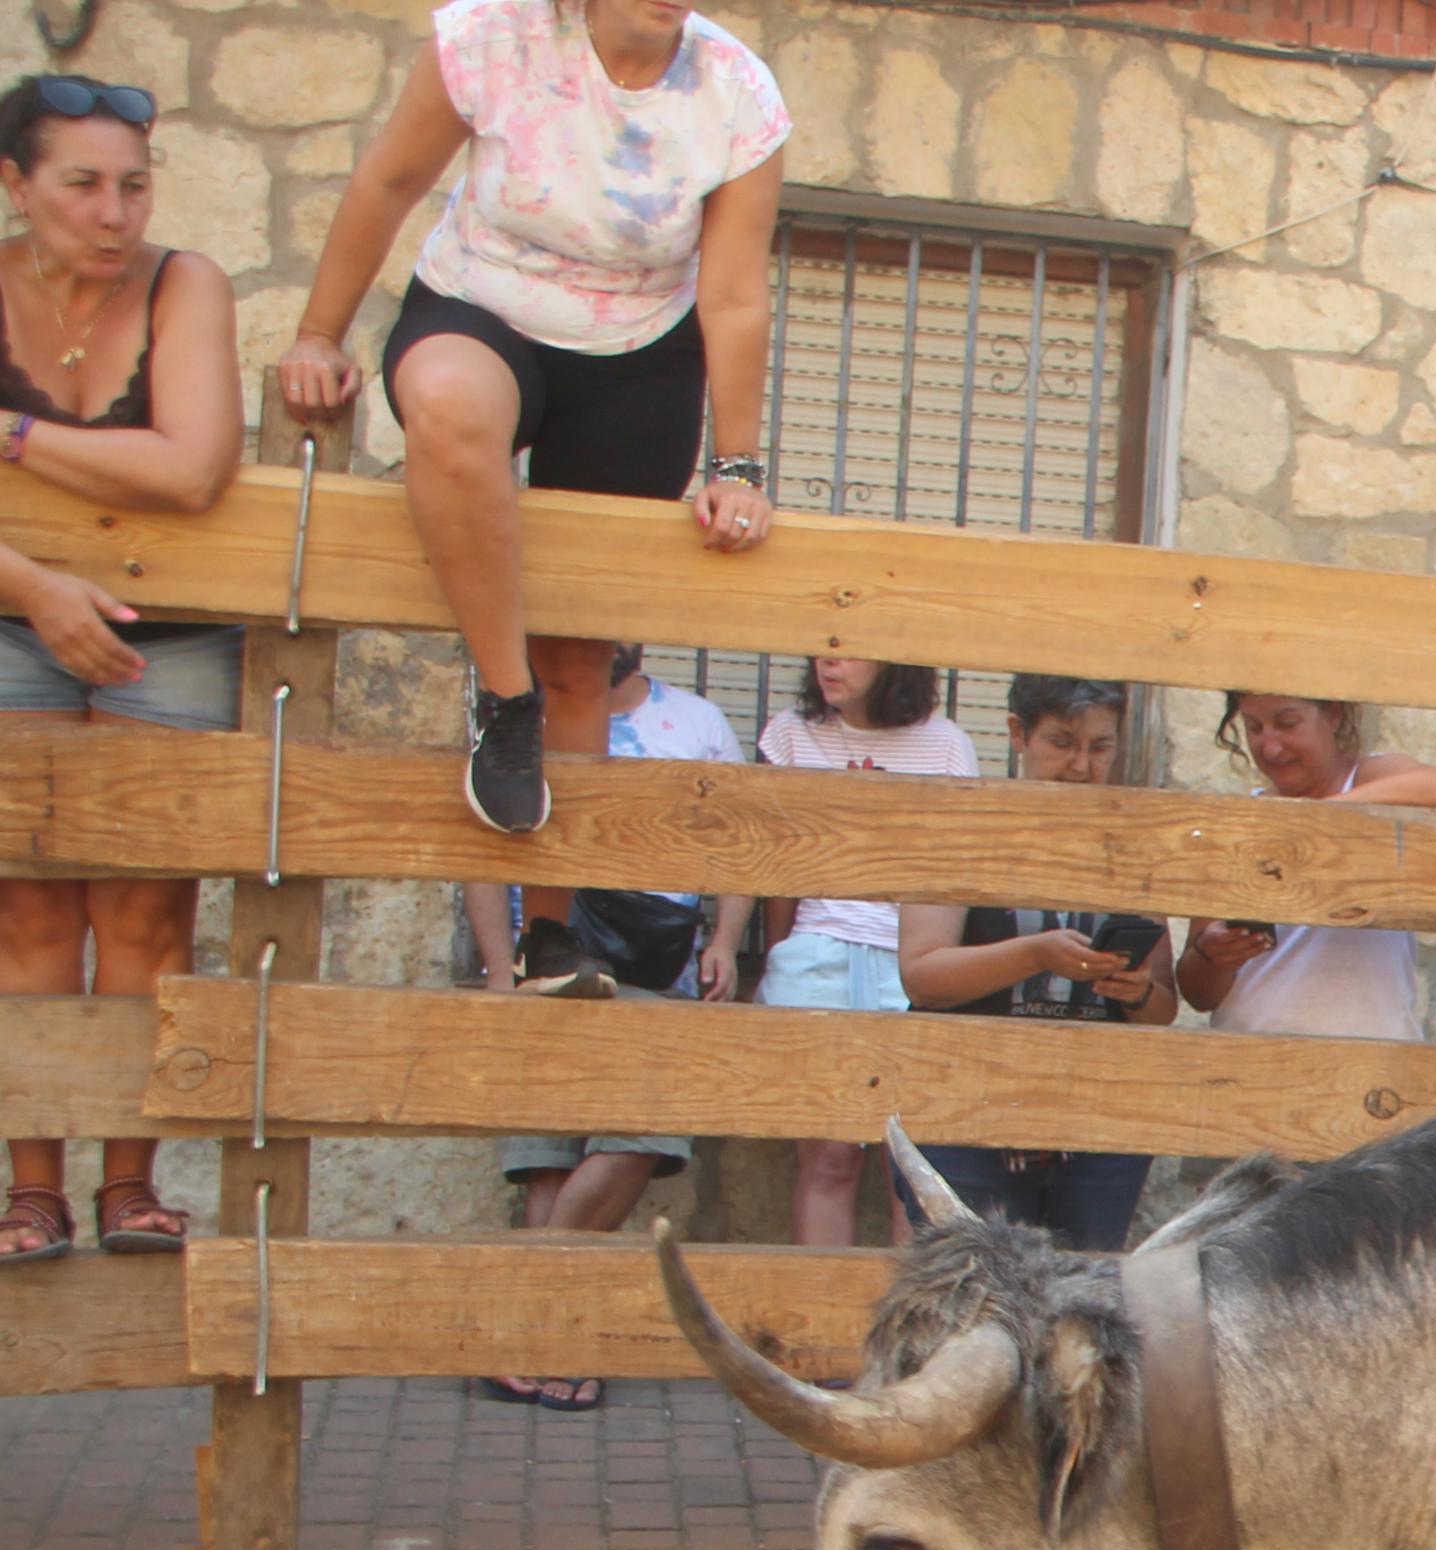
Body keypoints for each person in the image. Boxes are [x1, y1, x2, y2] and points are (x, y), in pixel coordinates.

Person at [274, 0, 785, 833]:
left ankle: (552, 934)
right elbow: (390, 179)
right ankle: (508, 699)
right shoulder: (489, 35)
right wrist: (317, 333)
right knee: (447, 404)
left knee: (581, 659)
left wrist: (737, 470)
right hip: (482, 307)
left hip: (638, 351)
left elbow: (732, 295)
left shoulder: (739, 93)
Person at [0, 73, 237, 1269]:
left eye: (134, 185)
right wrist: (36, 585)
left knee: (148, 909)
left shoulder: (185, 282)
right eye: (83, 184)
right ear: (14, 183)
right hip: (5, 615)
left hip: (174, 621)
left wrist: (17, 439)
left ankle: (131, 1187)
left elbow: (193, 471)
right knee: (25, 905)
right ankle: (32, 1189)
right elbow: (145, 459)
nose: (114, 211)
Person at [460, 644, 739, 1405]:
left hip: (657, 969)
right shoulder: (517, 713)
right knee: (549, 1160)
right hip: (541, 957)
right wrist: (495, 963)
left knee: (639, 1137)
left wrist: (723, 940)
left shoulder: (699, 722)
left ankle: (515, 1323)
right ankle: (558, 1340)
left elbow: (734, 844)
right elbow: (483, 848)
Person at [893, 674, 1174, 1249]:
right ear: (1018, 734)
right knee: (976, 1297)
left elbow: (1163, 1008)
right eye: (1062, 743)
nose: (1081, 766)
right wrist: (1035, 953)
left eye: (1100, 748)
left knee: (1083, 1303)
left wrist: (1137, 991)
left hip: (1098, 1119)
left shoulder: (1132, 844)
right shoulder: (965, 829)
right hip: (969, 1107)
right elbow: (922, 977)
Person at [715, 656, 975, 1244]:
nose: (829, 659)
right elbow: (769, 860)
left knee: (909, 1174)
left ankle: (908, 1329)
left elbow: (952, 878)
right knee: (828, 1160)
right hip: (817, 956)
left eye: (852, 647)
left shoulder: (947, 746)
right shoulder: (790, 733)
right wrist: (758, 955)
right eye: (822, 645)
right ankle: (821, 1323)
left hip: (906, 965)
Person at [1177, 693, 1436, 1040]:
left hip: (1370, 1065)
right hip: (1250, 1060)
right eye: (1254, 728)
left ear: (1334, 715)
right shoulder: (1238, 820)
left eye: (1287, 724)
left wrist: (1316, 819)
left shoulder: (1367, 779)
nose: (1270, 748)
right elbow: (1199, 994)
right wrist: (1215, 955)